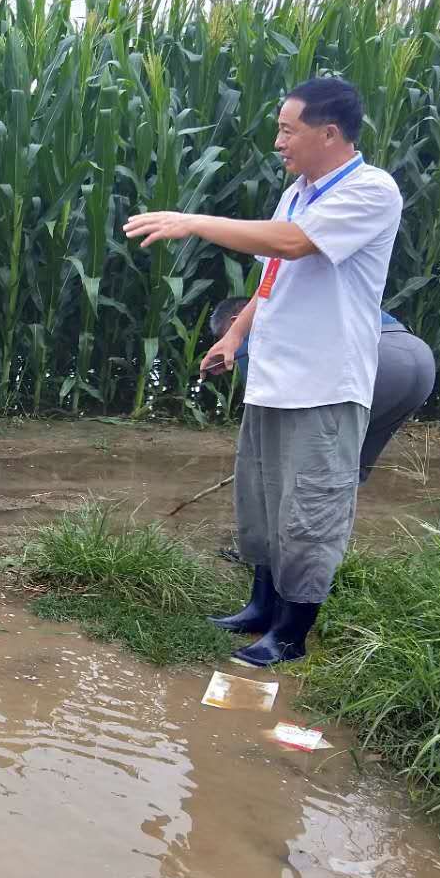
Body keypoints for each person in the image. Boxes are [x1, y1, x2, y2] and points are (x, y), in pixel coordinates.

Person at [125, 77, 403, 668]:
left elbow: (297, 245)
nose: (277, 141)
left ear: (329, 134)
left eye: (287, 130)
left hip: (325, 385)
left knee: (310, 509)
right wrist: (236, 333)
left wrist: (193, 221)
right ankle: (259, 607)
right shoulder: (298, 191)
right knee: (263, 503)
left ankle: (291, 633)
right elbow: (276, 270)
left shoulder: (371, 190)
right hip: (275, 377)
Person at [209, 297, 436, 483]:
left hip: (374, 361)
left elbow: (263, 412)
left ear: (235, 320)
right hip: (419, 360)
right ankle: (333, 535)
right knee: (348, 465)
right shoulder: (290, 300)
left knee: (310, 468)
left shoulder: (253, 328)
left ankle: (293, 536)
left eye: (224, 337)